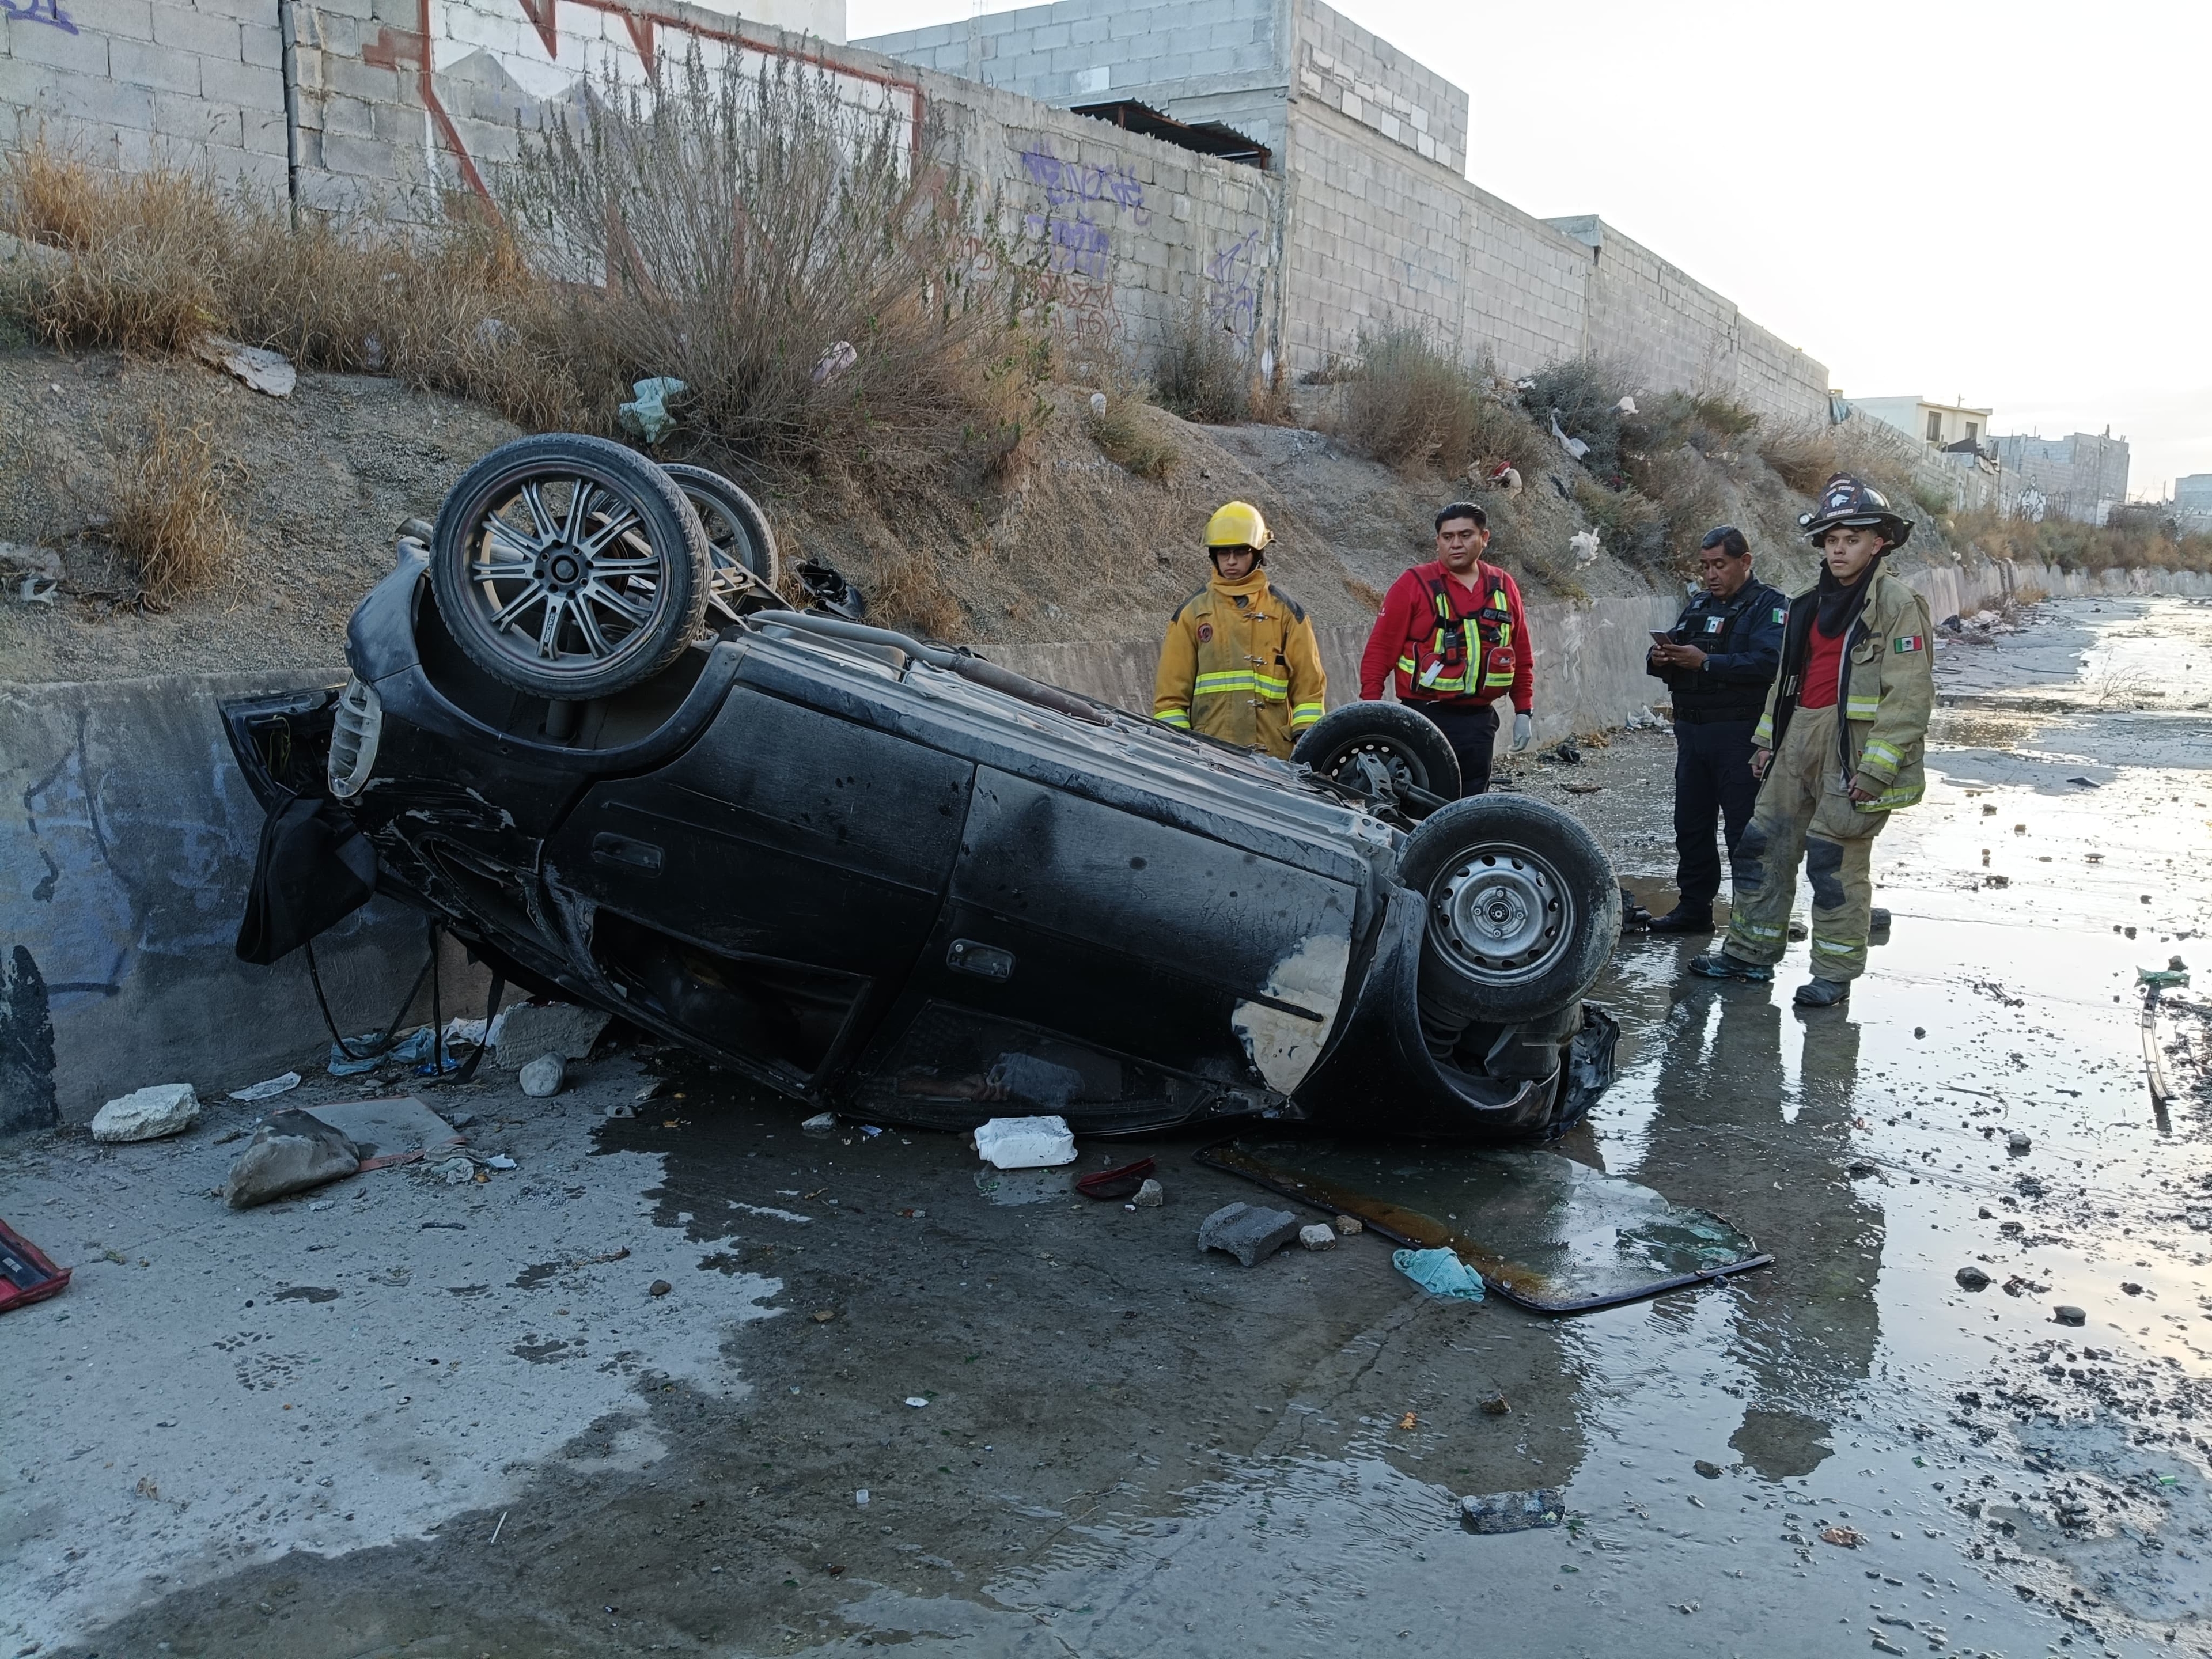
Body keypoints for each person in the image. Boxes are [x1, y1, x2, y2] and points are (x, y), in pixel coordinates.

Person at [1691, 475, 1935, 1007]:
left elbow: (1909, 695)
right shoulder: (1806, 605)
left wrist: (1876, 769)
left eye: (1852, 539)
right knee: (1762, 844)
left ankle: (1834, 974)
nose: (1840, 549)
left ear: (1879, 543)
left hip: (1852, 748)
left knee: (1833, 860)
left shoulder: (1896, 604)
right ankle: (1749, 953)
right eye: (1832, 540)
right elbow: (1785, 682)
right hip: (1797, 735)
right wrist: (1764, 743)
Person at [1643, 525, 1787, 933]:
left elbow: (1768, 664)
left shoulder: (1769, 607)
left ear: (1745, 562)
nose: (1711, 575)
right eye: (1705, 566)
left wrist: (1705, 662)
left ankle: (1751, 921)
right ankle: (1694, 909)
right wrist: (1662, 656)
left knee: (1745, 833)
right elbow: (1672, 656)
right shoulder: (1698, 605)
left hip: (1740, 735)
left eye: (1720, 565)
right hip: (1692, 734)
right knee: (1690, 826)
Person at [1356, 501, 1533, 796]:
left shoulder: (1504, 586)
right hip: (1423, 718)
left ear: (1484, 538)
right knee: (1420, 803)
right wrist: (1370, 710)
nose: (1456, 544)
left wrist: (1524, 711)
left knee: (1471, 803)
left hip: (1479, 723)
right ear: (1438, 541)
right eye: (1447, 537)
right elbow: (1379, 652)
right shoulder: (1413, 585)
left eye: (1465, 535)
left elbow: (1522, 654)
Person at [1152, 500, 1326, 759]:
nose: (1231, 561)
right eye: (1224, 553)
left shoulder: (1286, 613)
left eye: (1241, 552)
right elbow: (1170, 699)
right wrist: (1183, 752)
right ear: (1214, 555)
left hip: (1275, 759)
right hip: (1211, 756)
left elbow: (1310, 691)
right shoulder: (1193, 614)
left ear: (1257, 554)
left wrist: (1305, 741)